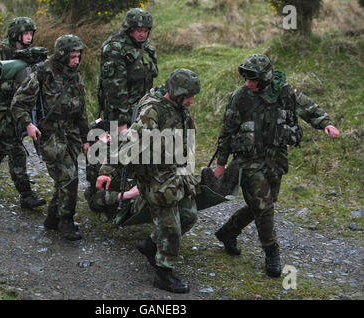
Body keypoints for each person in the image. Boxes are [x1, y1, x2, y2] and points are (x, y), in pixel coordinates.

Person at [213, 54, 340, 277]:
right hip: (249, 160)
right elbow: (227, 132)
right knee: (263, 206)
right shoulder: (240, 98)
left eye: (253, 80)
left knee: (265, 203)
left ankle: (228, 231)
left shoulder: (284, 91)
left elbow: (308, 108)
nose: (248, 84)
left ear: (265, 79)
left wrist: (326, 124)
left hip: (276, 158)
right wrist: (221, 164)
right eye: (246, 79)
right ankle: (271, 251)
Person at [96, 69, 201, 294]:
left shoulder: (181, 110)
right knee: (171, 228)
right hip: (155, 179)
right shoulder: (153, 112)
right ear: (178, 93)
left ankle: (151, 245)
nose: (192, 100)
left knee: (189, 216)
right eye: (189, 96)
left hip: (174, 173)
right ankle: (164, 273)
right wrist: (107, 170)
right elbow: (129, 142)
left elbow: (187, 139)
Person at [11, 35, 90, 240]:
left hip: (71, 133)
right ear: (63, 55)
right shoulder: (43, 72)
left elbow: (81, 109)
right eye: (72, 56)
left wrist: (86, 137)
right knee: (69, 178)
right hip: (50, 134)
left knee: (66, 178)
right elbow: (18, 103)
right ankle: (66, 222)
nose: (76, 60)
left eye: (78, 56)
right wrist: (28, 124)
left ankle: (52, 219)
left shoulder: (74, 74)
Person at [0, 17, 46, 210]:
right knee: (16, 150)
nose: (30, 38)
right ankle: (26, 195)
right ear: (16, 34)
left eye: (31, 34)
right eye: (26, 34)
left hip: (17, 111)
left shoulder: (30, 54)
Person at [98, 7, 158, 131]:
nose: (142, 34)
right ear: (129, 30)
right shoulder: (115, 48)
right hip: (121, 114)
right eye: (139, 30)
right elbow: (115, 89)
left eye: (146, 31)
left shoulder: (145, 46)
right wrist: (120, 122)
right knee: (119, 148)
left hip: (143, 110)